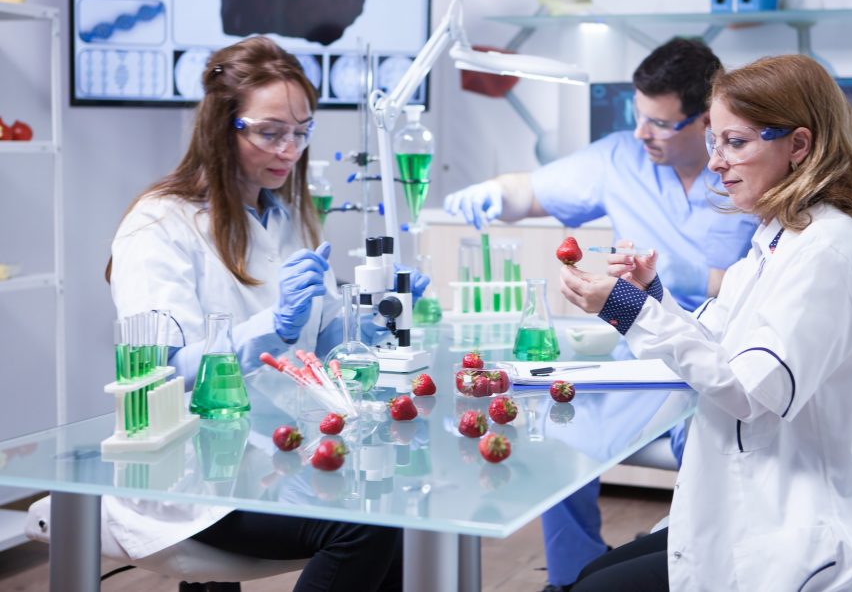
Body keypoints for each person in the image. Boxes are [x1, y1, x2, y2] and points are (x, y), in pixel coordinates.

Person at [559, 54, 852, 591]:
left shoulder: (828, 253)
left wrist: (626, 309)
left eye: (736, 143)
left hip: (808, 523)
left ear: (799, 146)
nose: (716, 163)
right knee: (593, 574)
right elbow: (717, 341)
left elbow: (750, 391)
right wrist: (651, 298)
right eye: (716, 142)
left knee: (594, 588)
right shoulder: (776, 238)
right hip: (756, 497)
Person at [444, 38, 758, 591]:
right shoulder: (620, 158)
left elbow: (776, 281)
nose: (643, 134)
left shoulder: (747, 172)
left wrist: (695, 277)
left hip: (721, 359)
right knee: (558, 427)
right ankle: (571, 576)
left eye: (659, 124)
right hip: (638, 353)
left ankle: (700, 573)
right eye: (639, 118)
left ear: (706, 120)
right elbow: (530, 193)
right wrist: (492, 192)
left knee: (710, 451)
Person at [105, 36, 408, 592]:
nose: (289, 151)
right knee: (367, 525)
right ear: (223, 127)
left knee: (403, 500)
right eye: (270, 133)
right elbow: (164, 376)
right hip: (191, 475)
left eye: (301, 131)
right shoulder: (160, 225)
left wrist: (369, 319)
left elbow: (315, 355)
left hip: (272, 450)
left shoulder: (283, 215)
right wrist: (276, 325)